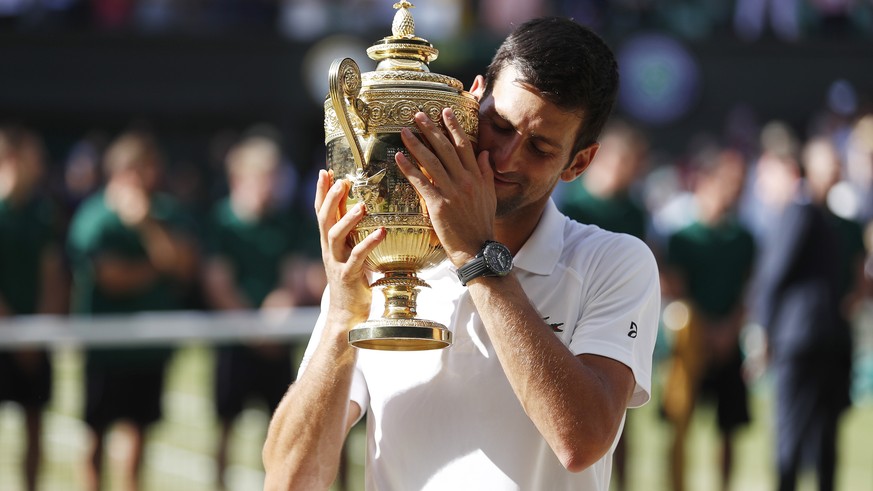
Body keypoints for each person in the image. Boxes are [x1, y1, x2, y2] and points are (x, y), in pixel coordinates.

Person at [263, 16, 660, 491]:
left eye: (539, 147)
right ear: (472, 99)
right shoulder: (382, 260)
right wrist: (341, 315)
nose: (507, 157)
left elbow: (581, 440)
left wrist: (477, 256)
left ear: (579, 162)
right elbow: (290, 479)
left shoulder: (614, 262)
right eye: (500, 125)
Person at [67, 129, 199, 491]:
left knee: (138, 435)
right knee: (94, 437)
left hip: (148, 350)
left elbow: (183, 265)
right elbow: (110, 277)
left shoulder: (165, 213)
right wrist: (155, 269)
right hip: (105, 350)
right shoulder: (95, 217)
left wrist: (146, 227)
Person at [201, 131, 320, 490]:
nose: (271, 185)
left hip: (277, 345)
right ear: (240, 177)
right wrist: (254, 329)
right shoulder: (221, 222)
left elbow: (297, 275)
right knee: (225, 428)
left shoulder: (285, 223)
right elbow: (217, 284)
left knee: (283, 427)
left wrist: (285, 300)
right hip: (236, 344)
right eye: (263, 176)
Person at [752, 129, 858, 491]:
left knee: (819, 431)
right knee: (796, 431)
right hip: (803, 338)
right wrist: (763, 331)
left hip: (821, 339)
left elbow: (777, 275)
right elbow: (774, 276)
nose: (837, 171)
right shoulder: (805, 213)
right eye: (831, 164)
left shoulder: (822, 217)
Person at [557, 118, 650, 491]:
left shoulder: (634, 210)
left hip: (612, 315)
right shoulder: (570, 201)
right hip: (567, 314)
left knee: (616, 413)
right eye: (624, 160)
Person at [661, 146, 756, 491]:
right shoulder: (682, 237)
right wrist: (705, 330)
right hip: (690, 345)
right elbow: (676, 288)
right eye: (728, 181)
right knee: (678, 423)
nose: (734, 189)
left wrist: (729, 329)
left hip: (729, 343)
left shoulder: (744, 238)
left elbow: (748, 288)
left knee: (729, 427)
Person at [0, 125, 67, 491]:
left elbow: (52, 273)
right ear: (12, 158)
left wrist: (37, 330)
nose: (40, 164)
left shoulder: (41, 212)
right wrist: (14, 333)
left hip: (32, 339)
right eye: (34, 156)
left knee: (35, 425)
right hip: (7, 337)